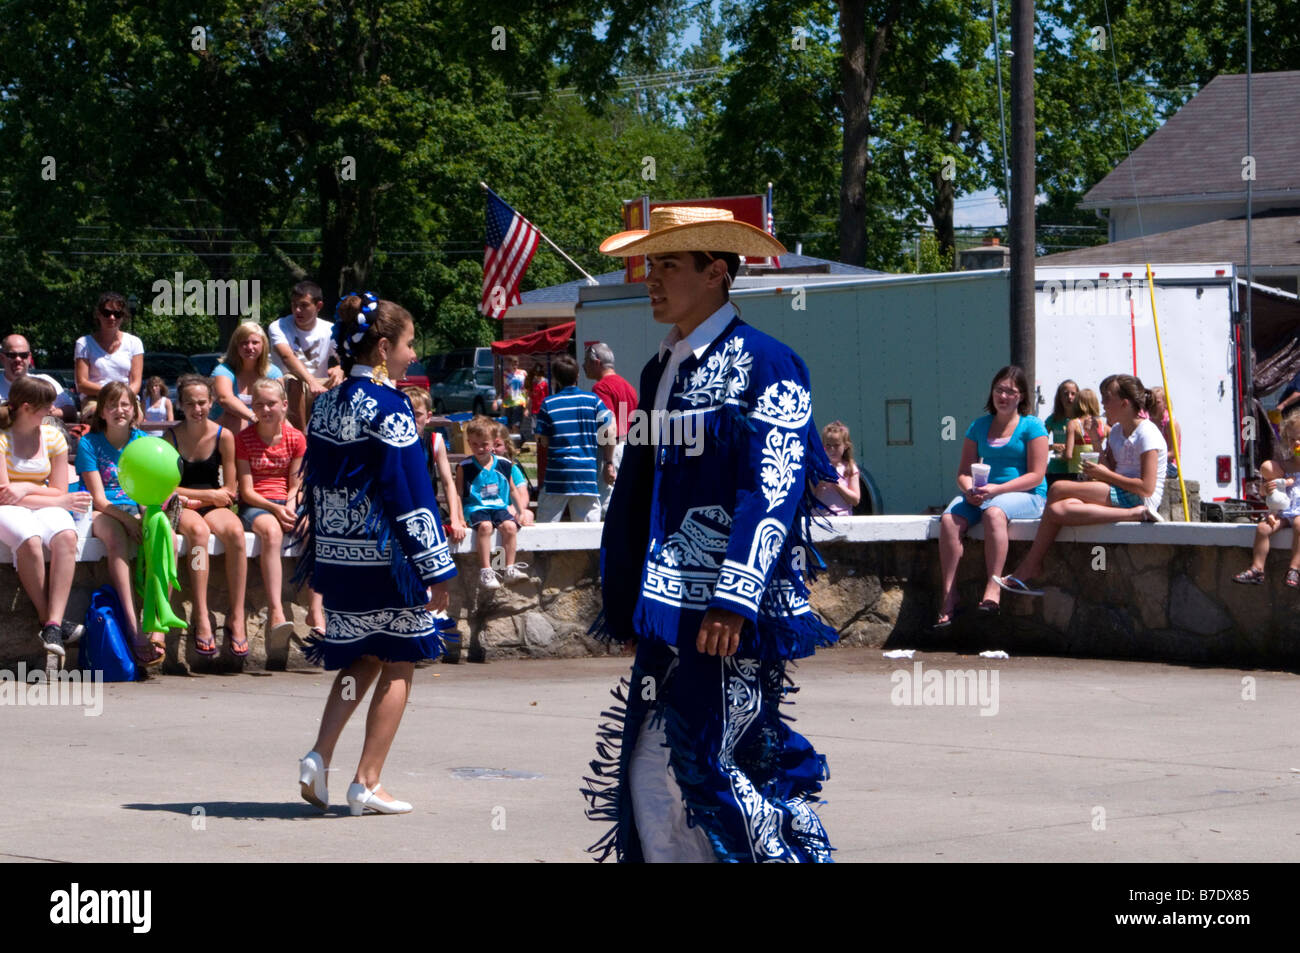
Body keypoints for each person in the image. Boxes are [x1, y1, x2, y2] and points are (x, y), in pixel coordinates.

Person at [584, 205, 837, 863]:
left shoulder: (769, 363)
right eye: (650, 263)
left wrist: (735, 594)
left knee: (716, 762)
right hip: (668, 609)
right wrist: (628, 595)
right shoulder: (659, 368)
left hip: (727, 611)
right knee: (651, 762)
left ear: (717, 272)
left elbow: (774, 488)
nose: (652, 278)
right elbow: (644, 489)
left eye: (669, 263)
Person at [295, 292, 458, 816]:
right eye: (409, 345)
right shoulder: (391, 408)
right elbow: (410, 494)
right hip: (387, 559)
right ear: (384, 347)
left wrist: (323, 554)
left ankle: (319, 755)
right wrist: (436, 567)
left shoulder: (326, 405)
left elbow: (315, 484)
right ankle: (366, 782)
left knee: (360, 655)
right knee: (401, 661)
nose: (413, 355)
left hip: (340, 557)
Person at [997, 374, 1166, 598]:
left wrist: (1105, 475)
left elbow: (1147, 487)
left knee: (1057, 489)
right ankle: (1132, 515)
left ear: (1124, 404)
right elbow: (1111, 470)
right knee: (1057, 510)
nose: (1103, 403)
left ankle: (1030, 565)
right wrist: (1097, 443)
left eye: (1107, 398)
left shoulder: (1147, 433)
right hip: (1120, 493)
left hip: (1141, 498)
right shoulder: (1116, 432)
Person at [935, 366, 1049, 627]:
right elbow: (963, 472)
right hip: (985, 492)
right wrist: (969, 490)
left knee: (994, 513)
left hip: (1025, 494)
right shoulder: (979, 425)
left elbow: (1036, 475)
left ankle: (993, 587)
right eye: (999, 389)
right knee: (950, 519)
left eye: (1010, 391)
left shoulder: (1033, 426)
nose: (1004, 396)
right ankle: (949, 595)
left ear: (1021, 396)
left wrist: (996, 490)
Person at [0, 376, 93, 660]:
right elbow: (4, 495)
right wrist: (59, 499)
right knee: (29, 539)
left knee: (66, 536)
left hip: (43, 502)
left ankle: (53, 622)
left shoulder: (52, 437)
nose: (52, 412)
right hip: (8, 508)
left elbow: (60, 488)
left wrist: (27, 487)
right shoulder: (2, 437)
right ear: (27, 407)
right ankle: (50, 622)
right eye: (46, 407)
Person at [235, 376, 321, 654]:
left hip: (287, 500)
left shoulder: (296, 438)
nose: (265, 409)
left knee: (314, 530)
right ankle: (276, 611)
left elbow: (296, 483)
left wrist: (290, 506)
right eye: (259, 404)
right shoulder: (244, 439)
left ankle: (315, 612)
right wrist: (275, 509)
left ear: (284, 405)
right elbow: (246, 491)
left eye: (271, 403)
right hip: (258, 503)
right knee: (271, 532)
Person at [166, 374, 248, 658]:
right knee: (198, 534)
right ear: (181, 405)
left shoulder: (224, 436)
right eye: (190, 403)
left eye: (202, 402)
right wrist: (207, 497)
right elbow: (167, 487)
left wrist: (212, 497)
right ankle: (201, 615)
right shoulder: (171, 437)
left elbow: (229, 489)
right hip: (186, 505)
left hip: (213, 502)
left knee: (236, 533)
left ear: (211, 402)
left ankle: (237, 616)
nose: (197, 408)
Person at [76, 381, 155, 664]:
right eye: (112, 405)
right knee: (117, 539)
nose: (119, 410)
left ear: (134, 409)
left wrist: (145, 515)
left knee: (164, 536)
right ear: (102, 412)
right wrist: (127, 519)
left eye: (125, 404)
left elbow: (147, 491)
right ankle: (134, 627)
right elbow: (98, 499)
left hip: (134, 506)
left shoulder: (142, 442)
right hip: (105, 510)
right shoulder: (89, 443)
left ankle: (156, 624)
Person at [534, 355, 614, 523]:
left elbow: (543, 440)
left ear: (556, 378)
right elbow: (611, 429)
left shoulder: (548, 403)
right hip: (586, 475)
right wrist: (608, 462)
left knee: (546, 528)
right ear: (577, 375)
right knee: (588, 531)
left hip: (558, 475)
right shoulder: (593, 401)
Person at [457, 415, 533, 590]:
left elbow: (513, 489)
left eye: (484, 444)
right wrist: (460, 517)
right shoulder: (465, 466)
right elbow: (458, 493)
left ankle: (509, 568)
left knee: (510, 527)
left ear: (493, 443)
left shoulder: (505, 465)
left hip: (498, 505)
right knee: (485, 527)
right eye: (474, 444)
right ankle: (486, 570)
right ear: (469, 442)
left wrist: (520, 511)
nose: (480, 448)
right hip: (476, 506)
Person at [1234, 414, 1300, 588]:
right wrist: (1266, 489)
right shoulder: (1283, 466)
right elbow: (1265, 490)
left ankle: (1295, 568)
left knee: (1299, 525)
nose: (1296, 444)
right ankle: (1257, 569)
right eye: (1292, 439)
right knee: (1263, 528)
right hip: (1284, 511)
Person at [268, 280, 344, 431]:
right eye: (294, 305)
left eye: (303, 305)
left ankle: (339, 433)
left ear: (318, 306)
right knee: (293, 380)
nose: (297, 310)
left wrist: (340, 369)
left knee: (343, 380)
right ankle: (301, 439)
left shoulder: (330, 329)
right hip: (285, 388)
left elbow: (347, 358)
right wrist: (311, 382)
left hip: (318, 387)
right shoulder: (278, 326)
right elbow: (287, 357)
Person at [402, 385, 466, 542]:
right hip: (403, 503)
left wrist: (455, 518)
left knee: (439, 532)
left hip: (427, 503)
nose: (411, 419)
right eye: (406, 413)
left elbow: (447, 482)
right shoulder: (392, 441)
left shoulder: (434, 440)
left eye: (417, 415)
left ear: (428, 417)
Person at [584, 342, 639, 517]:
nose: (584, 366)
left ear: (596, 362)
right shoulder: (628, 387)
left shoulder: (601, 387)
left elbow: (609, 426)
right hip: (629, 448)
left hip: (611, 450)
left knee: (605, 505)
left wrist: (608, 462)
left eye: (586, 361)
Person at [213, 322, 284, 433]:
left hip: (264, 422)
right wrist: (253, 418)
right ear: (236, 346)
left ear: (263, 345)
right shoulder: (223, 370)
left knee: (287, 426)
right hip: (226, 427)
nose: (250, 347)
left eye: (255, 342)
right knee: (235, 418)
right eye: (244, 343)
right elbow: (225, 399)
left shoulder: (273, 372)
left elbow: (281, 405)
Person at [74, 292, 144, 399]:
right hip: (95, 398)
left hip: (127, 398)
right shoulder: (83, 343)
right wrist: (112, 393)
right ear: (98, 314)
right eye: (106, 313)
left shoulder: (134, 343)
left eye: (117, 314)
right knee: (95, 414)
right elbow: (81, 384)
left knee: (137, 416)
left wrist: (122, 397)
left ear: (123, 316)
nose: (112, 317)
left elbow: (136, 383)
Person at [0, 334, 77, 423]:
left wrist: (47, 411)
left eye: (23, 355)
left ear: (29, 357)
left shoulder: (44, 382)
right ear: (2, 358)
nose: (18, 359)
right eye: (12, 355)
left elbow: (71, 412)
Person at [813, 420, 861, 515]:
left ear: (846, 446)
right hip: (819, 517)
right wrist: (818, 482)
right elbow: (808, 497)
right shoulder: (817, 467)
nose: (832, 449)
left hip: (842, 518)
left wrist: (836, 483)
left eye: (836, 445)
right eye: (828, 445)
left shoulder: (850, 468)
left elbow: (855, 500)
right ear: (823, 446)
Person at [1064, 387, 1107, 478]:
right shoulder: (1102, 425)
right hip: (1097, 473)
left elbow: (1068, 455)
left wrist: (1060, 454)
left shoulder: (1073, 424)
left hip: (1077, 473)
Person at [1043, 379, 1079, 486]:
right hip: (1056, 470)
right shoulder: (1052, 419)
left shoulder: (1081, 419)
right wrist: (1053, 446)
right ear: (1059, 398)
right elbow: (1038, 444)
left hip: (1075, 469)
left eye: (1073, 394)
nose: (1070, 397)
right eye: (1065, 394)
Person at [1148, 386, 1183, 477]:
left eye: (1157, 402)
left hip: (1170, 465)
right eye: (1151, 402)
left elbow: (1173, 453)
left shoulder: (1170, 424)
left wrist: (1151, 457)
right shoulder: (1149, 421)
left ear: (1166, 404)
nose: (1153, 405)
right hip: (1155, 461)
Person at [501, 356, 528, 436]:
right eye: (513, 362)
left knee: (515, 425)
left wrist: (526, 406)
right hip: (508, 401)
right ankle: (511, 444)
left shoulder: (523, 373)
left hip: (519, 401)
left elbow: (527, 388)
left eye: (516, 362)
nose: (515, 364)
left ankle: (516, 445)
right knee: (508, 426)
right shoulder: (505, 374)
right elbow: (503, 388)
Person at [525, 361, 548, 444]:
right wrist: (527, 409)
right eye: (536, 374)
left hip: (543, 409)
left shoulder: (545, 383)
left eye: (539, 374)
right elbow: (530, 397)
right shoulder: (534, 384)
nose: (537, 376)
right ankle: (537, 444)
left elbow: (548, 396)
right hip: (535, 410)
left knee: (542, 428)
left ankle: (542, 444)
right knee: (535, 428)